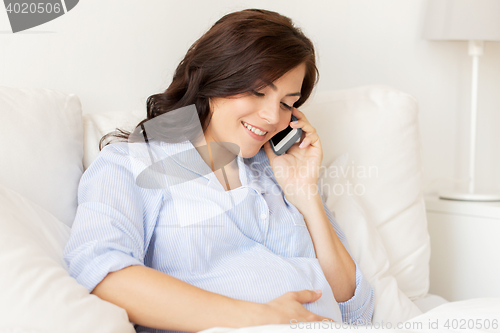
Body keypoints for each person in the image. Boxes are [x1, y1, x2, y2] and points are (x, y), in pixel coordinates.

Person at [63, 8, 374, 333]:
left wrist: (305, 195)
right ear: (212, 79)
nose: (271, 116)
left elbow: (354, 307)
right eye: (257, 91)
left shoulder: (282, 173)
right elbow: (100, 270)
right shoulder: (134, 164)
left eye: (286, 104)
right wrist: (259, 317)